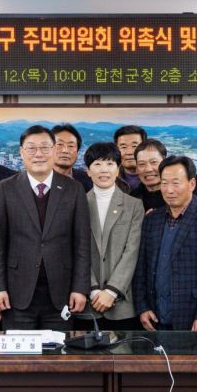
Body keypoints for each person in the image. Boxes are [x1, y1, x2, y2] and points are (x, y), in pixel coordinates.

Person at [0, 125, 90, 331]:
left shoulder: (74, 189)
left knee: (59, 350)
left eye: (45, 147)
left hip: (61, 292)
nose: (38, 154)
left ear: (54, 150)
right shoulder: (5, 189)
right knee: (19, 350)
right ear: (21, 152)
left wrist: (80, 288)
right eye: (31, 148)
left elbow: (82, 243)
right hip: (16, 292)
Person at [132, 155, 197, 331]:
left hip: (192, 318)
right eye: (164, 183)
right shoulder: (152, 219)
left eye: (176, 183)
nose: (169, 190)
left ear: (192, 184)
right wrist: (142, 307)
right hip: (155, 317)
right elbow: (141, 267)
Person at [74, 142, 143, 331]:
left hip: (122, 303)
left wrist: (112, 291)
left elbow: (132, 251)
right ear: (88, 171)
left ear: (118, 169)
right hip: (87, 302)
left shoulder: (134, 205)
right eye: (97, 164)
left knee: (123, 348)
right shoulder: (77, 203)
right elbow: (75, 250)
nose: (104, 170)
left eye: (110, 164)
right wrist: (93, 290)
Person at [52, 123, 92, 191]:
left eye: (71, 146)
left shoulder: (89, 180)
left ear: (77, 151)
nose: (65, 150)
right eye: (60, 144)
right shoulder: (36, 179)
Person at [130, 139, 167, 212]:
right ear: (136, 168)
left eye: (153, 162)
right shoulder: (131, 198)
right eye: (142, 164)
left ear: (165, 163)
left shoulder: (177, 195)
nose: (148, 169)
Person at [113, 125, 146, 191]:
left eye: (134, 146)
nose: (129, 152)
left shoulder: (159, 177)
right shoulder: (110, 178)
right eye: (123, 147)